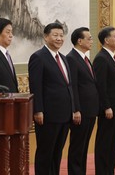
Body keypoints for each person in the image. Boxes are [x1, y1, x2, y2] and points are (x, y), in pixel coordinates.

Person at [28, 22, 74, 175]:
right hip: (48, 114)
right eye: (55, 35)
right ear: (46, 37)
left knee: (57, 151)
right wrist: (38, 110)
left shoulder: (63, 57)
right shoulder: (38, 57)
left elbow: (69, 86)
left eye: (61, 35)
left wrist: (73, 109)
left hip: (65, 114)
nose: (59, 38)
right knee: (45, 152)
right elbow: (36, 86)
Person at [93, 26, 115, 175]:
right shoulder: (101, 58)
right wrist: (106, 106)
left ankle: (109, 171)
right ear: (106, 40)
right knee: (105, 144)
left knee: (113, 144)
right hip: (109, 110)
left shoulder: (113, 57)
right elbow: (101, 86)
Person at [66, 27, 99, 175]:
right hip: (81, 111)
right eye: (89, 38)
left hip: (91, 110)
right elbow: (72, 87)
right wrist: (76, 109)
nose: (92, 41)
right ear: (79, 41)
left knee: (84, 146)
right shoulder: (72, 58)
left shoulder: (85, 58)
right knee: (77, 147)